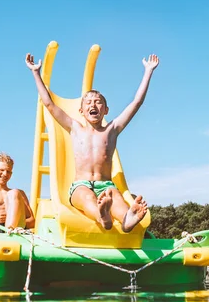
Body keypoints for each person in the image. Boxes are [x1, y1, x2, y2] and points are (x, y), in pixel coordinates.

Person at [25, 52, 160, 232]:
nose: (93, 105)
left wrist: (148, 71)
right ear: (81, 110)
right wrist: (36, 73)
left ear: (106, 110)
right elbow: (49, 104)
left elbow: (136, 102)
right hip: (81, 185)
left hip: (106, 184)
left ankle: (127, 218)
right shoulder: (74, 128)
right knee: (87, 197)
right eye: (88, 102)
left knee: (116, 197)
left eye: (98, 102)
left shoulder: (112, 130)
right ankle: (102, 215)